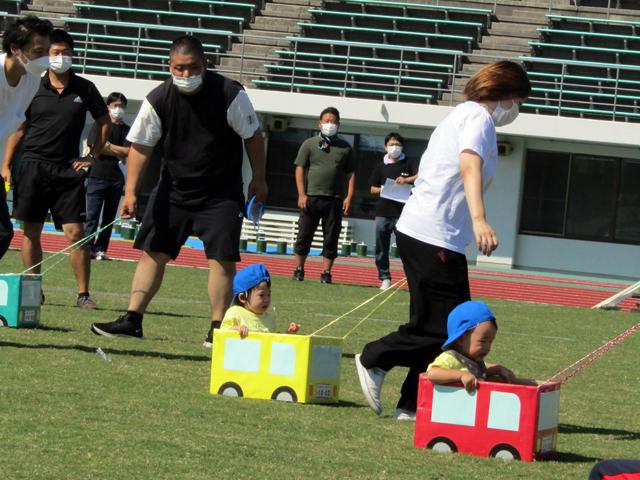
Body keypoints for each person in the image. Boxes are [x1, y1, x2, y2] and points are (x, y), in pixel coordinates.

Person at [354, 60, 531, 421]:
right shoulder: (479, 119)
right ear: (505, 94)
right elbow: (470, 166)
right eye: (518, 101)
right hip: (433, 235)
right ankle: (375, 357)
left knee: (441, 325)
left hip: (429, 233)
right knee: (451, 327)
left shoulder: (460, 116)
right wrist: (480, 220)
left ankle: (412, 404)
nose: (517, 110)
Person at [89, 35, 268, 346]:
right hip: (173, 190)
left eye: (193, 68)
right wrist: (130, 192)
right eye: (179, 68)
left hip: (220, 193)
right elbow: (141, 148)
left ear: (205, 64)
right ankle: (132, 319)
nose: (186, 75)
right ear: (169, 66)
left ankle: (218, 329)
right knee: (152, 254)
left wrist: (260, 179)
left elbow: (253, 136)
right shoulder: (158, 98)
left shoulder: (229, 93)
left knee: (222, 260)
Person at [3, 29, 110, 308]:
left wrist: (92, 156)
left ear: (72, 55)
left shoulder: (85, 87)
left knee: (77, 233)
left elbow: (104, 122)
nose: (60, 57)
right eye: (54, 52)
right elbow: (18, 128)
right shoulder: (31, 85)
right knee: (31, 231)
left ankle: (83, 294)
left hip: (67, 169)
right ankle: (33, 291)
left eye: (65, 52)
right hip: (32, 166)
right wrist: (5, 164)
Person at [0, 15, 53, 260]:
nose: (45, 58)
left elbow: (17, 125)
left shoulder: (32, 79)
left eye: (47, 51)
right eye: (38, 51)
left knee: (2, 233)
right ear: (15, 48)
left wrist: (5, 165)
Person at [292, 107, 356, 284]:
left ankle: (326, 272)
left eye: (333, 121)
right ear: (319, 123)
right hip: (310, 197)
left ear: (339, 125)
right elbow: (299, 168)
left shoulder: (345, 147)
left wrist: (349, 197)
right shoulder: (309, 144)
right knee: (304, 234)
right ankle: (299, 268)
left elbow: (351, 174)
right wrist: (301, 194)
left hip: (334, 199)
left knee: (331, 237)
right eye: (327, 121)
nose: (330, 124)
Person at [426, 301, 534, 394]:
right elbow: (432, 373)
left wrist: (498, 368)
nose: (487, 347)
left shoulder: (471, 360)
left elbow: (478, 369)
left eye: (490, 341)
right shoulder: (450, 358)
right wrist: (460, 375)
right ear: (461, 339)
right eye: (483, 341)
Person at [85, 91, 131, 261]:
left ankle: (100, 249)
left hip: (117, 179)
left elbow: (128, 151)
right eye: (115, 106)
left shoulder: (127, 129)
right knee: (92, 216)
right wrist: (114, 150)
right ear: (108, 107)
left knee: (109, 219)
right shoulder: (100, 124)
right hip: (97, 175)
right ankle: (86, 248)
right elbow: (94, 145)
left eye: (121, 106)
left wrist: (108, 146)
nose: (118, 109)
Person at [368, 133, 418, 290]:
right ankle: (385, 277)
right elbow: (372, 189)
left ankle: (411, 278)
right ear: (385, 147)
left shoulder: (408, 163)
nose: (394, 147)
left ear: (402, 147)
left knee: (407, 247)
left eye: (397, 144)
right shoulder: (381, 166)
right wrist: (384, 188)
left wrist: (407, 180)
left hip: (404, 213)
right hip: (383, 212)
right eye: (391, 144)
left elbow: (420, 177)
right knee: (381, 247)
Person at [221, 263, 300, 338]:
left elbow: (273, 342)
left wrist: (289, 333)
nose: (266, 299)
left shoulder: (269, 319)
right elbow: (221, 334)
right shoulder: (235, 313)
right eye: (261, 295)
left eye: (268, 295)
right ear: (243, 297)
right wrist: (235, 329)